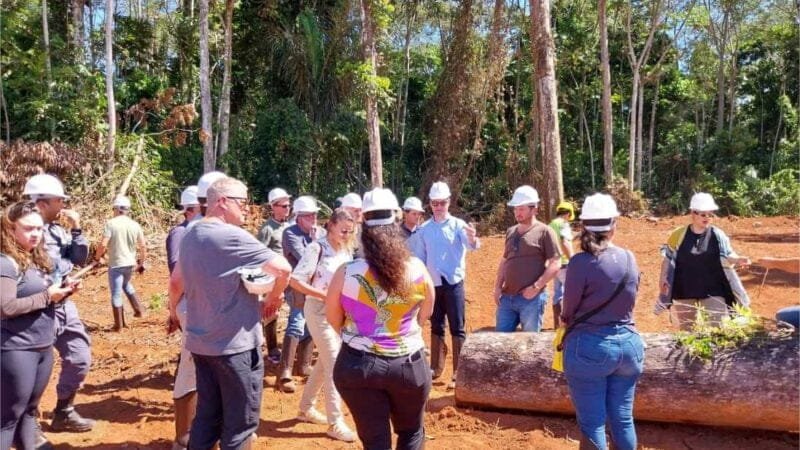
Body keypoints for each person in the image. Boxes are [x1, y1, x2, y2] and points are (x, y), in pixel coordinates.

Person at [168, 177, 291, 449]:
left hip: (202, 345)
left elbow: (176, 282)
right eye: (243, 202)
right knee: (239, 426)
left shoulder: (190, 234)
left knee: (207, 419)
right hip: (234, 348)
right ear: (222, 202)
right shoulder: (231, 235)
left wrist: (173, 312)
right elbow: (282, 269)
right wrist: (274, 297)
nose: (247, 209)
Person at [326, 188, 435, 450]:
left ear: (363, 223)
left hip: (357, 367)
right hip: (409, 366)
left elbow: (332, 317)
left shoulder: (347, 272)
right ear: (397, 222)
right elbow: (426, 312)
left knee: (375, 441)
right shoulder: (417, 268)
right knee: (412, 433)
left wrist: (360, 335)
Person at [561, 193, 643, 450]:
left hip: (590, 348)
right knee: (623, 419)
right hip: (629, 347)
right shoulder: (629, 257)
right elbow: (632, 298)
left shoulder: (580, 262)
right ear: (613, 224)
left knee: (593, 424)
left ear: (583, 225)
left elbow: (568, 309)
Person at [1, 201, 80, 450]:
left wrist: (64, 292)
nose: (35, 233)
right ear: (10, 229)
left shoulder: (34, 259)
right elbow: (6, 308)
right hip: (17, 349)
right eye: (28, 229)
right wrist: (49, 297)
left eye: (38, 228)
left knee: (30, 411)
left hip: (42, 347)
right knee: (8, 418)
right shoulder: (6, 263)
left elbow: (40, 299)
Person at [23, 174, 95, 432]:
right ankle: (24, 421)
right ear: (42, 203)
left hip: (64, 305)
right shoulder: (20, 234)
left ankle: (63, 411)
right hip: (35, 310)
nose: (63, 205)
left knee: (79, 357)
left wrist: (77, 230)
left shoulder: (58, 230)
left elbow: (78, 258)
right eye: (58, 201)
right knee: (32, 367)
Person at [290, 209, 356, 442]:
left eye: (350, 231)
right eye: (343, 230)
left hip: (338, 313)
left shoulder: (346, 250)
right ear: (331, 225)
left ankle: (306, 408)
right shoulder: (316, 248)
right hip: (317, 311)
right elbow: (296, 281)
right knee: (335, 363)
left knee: (325, 362)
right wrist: (324, 295)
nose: (347, 234)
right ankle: (335, 422)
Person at [410, 181, 478, 389]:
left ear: (449, 202)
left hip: (454, 283)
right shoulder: (424, 230)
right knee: (436, 324)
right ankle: (436, 368)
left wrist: (473, 239)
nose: (439, 207)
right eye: (435, 203)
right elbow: (419, 258)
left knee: (457, 327)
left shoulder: (458, 225)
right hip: (433, 284)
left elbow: (471, 246)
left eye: (442, 203)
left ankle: (459, 370)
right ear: (430, 204)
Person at [656, 193, 751, 330]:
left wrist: (738, 259)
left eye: (710, 214)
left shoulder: (718, 235)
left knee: (717, 329)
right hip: (684, 288)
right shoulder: (678, 235)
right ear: (692, 214)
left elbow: (727, 254)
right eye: (703, 214)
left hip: (713, 289)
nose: (707, 218)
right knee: (685, 331)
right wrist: (663, 278)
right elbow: (668, 258)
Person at [493, 186, 561, 332]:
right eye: (516, 209)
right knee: (500, 343)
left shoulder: (545, 231)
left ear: (534, 209)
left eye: (522, 209)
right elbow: (505, 261)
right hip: (507, 298)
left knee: (530, 345)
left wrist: (536, 287)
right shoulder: (511, 231)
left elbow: (555, 263)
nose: (517, 213)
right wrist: (498, 287)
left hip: (532, 300)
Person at [164, 185, 200, 450]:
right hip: (190, 306)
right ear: (189, 210)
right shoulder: (181, 233)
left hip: (203, 308)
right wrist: (173, 311)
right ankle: (183, 436)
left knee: (198, 369)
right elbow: (178, 276)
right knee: (189, 368)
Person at [277, 195, 322, 393]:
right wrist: (315, 242)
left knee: (310, 322)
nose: (313, 219)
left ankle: (303, 365)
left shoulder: (319, 232)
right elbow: (304, 258)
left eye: (314, 215)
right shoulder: (290, 234)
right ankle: (284, 371)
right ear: (299, 217)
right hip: (296, 285)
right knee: (296, 321)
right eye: (308, 216)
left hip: (314, 285)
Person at [94, 195, 147, 330]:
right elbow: (143, 246)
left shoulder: (111, 224)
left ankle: (118, 326)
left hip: (116, 264)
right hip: (130, 263)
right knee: (125, 284)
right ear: (127, 210)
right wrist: (141, 262)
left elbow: (103, 244)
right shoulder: (134, 225)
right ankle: (139, 310)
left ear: (116, 209)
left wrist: (96, 258)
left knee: (116, 293)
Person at [256, 187, 293, 364]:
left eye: (288, 205)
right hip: (273, 277)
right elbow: (259, 255)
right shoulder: (267, 229)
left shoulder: (289, 226)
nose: (288, 208)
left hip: (290, 276)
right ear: (274, 207)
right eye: (284, 205)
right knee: (272, 312)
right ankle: (272, 348)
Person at [548, 201, 576, 328]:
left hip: (553, 263)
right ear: (568, 214)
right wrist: (573, 260)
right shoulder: (564, 224)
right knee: (569, 293)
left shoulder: (551, 224)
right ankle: (566, 324)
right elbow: (565, 242)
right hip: (565, 263)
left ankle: (556, 325)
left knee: (557, 293)